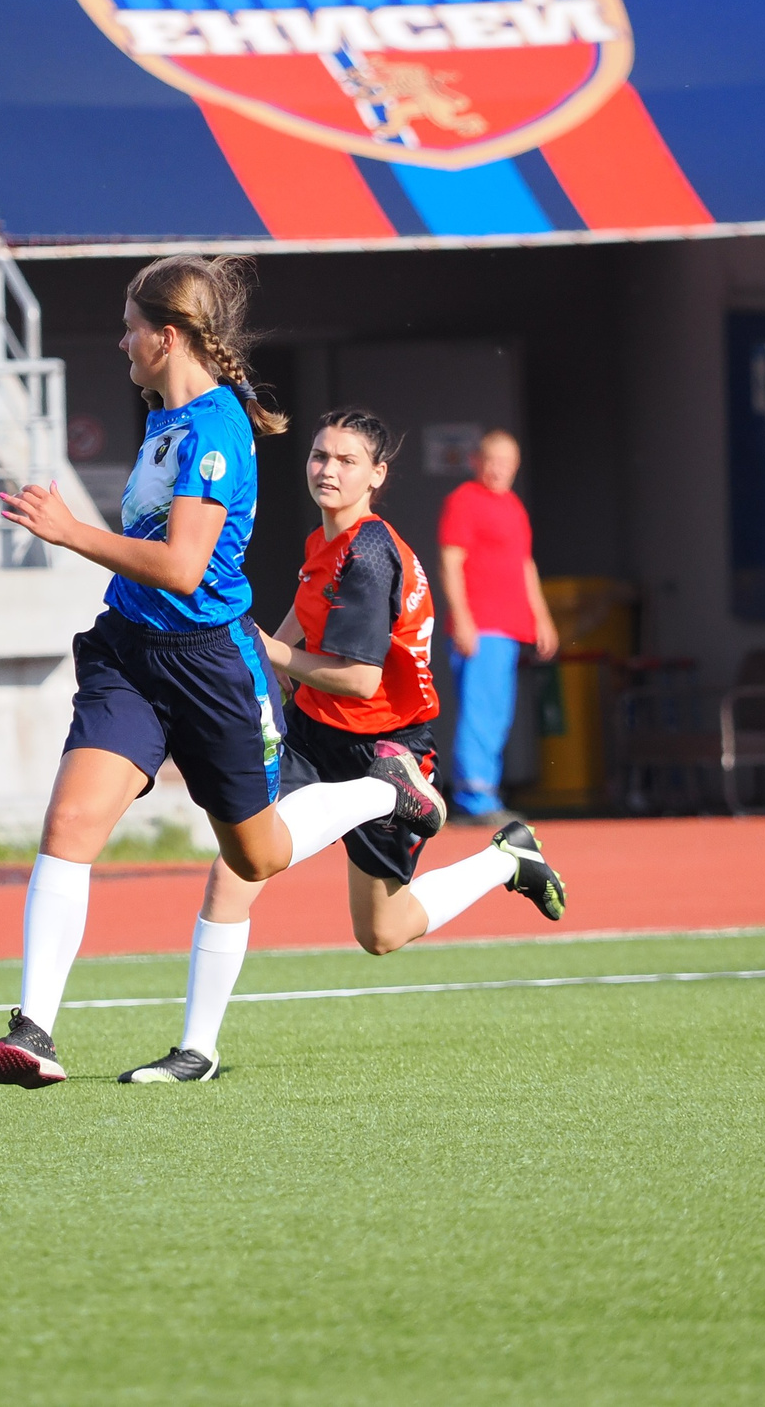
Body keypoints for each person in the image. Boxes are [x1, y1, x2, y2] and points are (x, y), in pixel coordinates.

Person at [0, 256, 449, 1089]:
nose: (121, 339)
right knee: (70, 823)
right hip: (130, 652)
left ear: (167, 337)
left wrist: (68, 530)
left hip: (210, 666)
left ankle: (387, 790)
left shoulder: (216, 428)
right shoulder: (166, 416)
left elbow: (185, 566)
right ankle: (34, 1030)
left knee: (258, 854)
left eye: (131, 325)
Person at [116, 408, 569, 1084]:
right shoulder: (327, 542)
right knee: (238, 866)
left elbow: (359, 679)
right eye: (321, 455)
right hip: (312, 737)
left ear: (377, 475)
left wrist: (266, 650)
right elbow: (300, 620)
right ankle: (197, 1050)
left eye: (347, 460)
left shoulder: (369, 554)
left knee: (382, 933)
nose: (328, 469)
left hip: (386, 749)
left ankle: (490, 851)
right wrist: (251, 662)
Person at [436, 429, 559, 821]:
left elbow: (526, 566)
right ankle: (475, 798)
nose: (500, 469)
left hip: (508, 627)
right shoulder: (464, 501)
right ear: (477, 461)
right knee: (482, 710)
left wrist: (542, 619)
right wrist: (464, 620)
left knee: (497, 712)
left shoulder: (514, 507)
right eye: (493, 460)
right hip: (482, 626)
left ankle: (484, 793)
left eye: (508, 463)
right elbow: (450, 561)